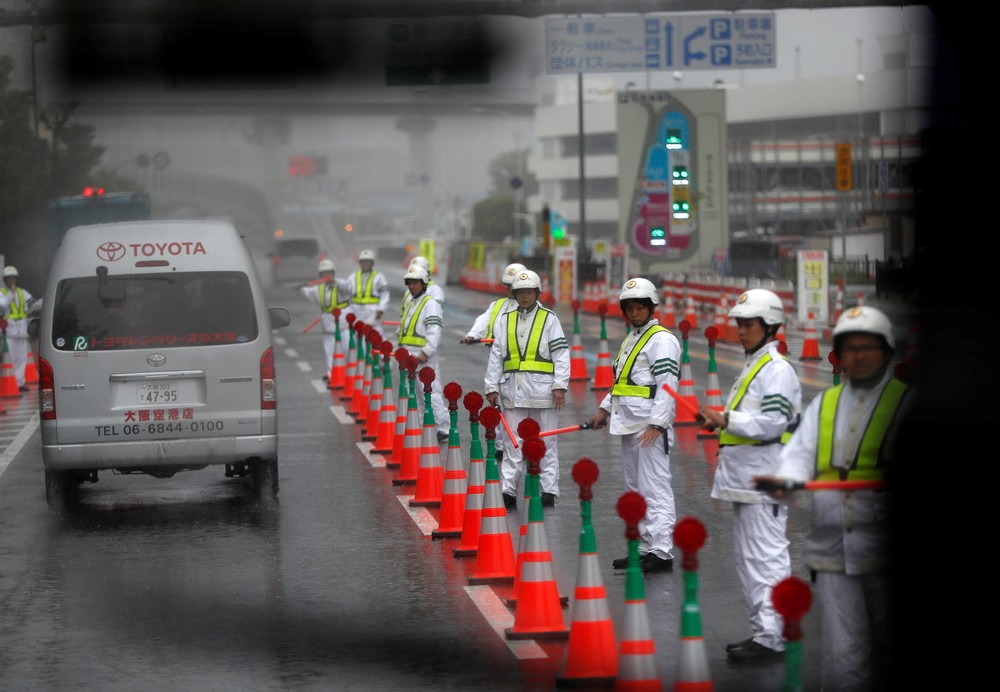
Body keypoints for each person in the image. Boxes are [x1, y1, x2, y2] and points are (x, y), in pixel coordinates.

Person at [755, 306, 911, 691]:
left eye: (867, 347)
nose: (857, 356)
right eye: (849, 348)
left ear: (887, 352)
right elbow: (797, 457)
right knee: (841, 654)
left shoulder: (906, 402)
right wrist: (784, 481)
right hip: (833, 549)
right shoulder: (825, 405)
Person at [697, 288, 802, 661]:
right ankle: (765, 632)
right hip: (746, 479)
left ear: (770, 326)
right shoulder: (756, 365)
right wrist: (721, 422)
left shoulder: (776, 370)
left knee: (766, 559)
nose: (741, 331)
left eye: (749, 325)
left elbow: (773, 423)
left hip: (764, 479)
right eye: (739, 324)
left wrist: (727, 418)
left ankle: (773, 637)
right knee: (749, 559)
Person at [586, 278, 680, 572]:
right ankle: (642, 547)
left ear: (652, 308)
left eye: (640, 307)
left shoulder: (661, 339)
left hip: (649, 427)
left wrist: (658, 424)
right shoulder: (634, 337)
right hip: (629, 423)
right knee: (635, 489)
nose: (635, 312)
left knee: (655, 488)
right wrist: (604, 410)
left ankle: (661, 550)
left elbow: (668, 385)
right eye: (630, 308)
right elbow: (623, 382)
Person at [484, 269, 569, 509]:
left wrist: (560, 385)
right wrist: (491, 386)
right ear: (514, 293)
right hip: (513, 390)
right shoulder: (505, 319)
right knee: (514, 443)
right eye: (520, 292)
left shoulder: (549, 318)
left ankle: (548, 490)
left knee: (547, 443)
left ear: (537, 293)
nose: (524, 296)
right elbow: (497, 356)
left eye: (529, 292)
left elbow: (561, 354)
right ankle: (508, 489)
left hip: (544, 393)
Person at [398, 264, 449, 440]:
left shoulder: (430, 304)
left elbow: (434, 330)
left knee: (431, 392)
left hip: (423, 357)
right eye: (409, 283)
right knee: (417, 395)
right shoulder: (411, 303)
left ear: (424, 283)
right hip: (409, 357)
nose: (411, 286)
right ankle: (422, 425)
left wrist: (425, 352)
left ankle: (444, 427)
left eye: (415, 283)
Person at [298, 259, 353, 379]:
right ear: (320, 275)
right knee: (329, 351)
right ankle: (331, 372)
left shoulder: (341, 284)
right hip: (328, 324)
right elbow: (308, 292)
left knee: (347, 348)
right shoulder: (319, 288)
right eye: (324, 273)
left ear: (333, 273)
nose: (326, 275)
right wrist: (301, 288)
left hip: (343, 324)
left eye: (329, 273)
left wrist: (336, 283)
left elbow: (348, 289)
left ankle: (348, 371)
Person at [459, 262, 526, 346]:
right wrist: (472, 335)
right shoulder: (497, 305)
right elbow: (484, 320)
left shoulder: (534, 307)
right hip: (495, 353)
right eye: (507, 285)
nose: (510, 289)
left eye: (513, 285)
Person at [1, 266, 43, 392]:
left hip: (22, 331)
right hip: (10, 331)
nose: (11, 280)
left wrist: (45, 300)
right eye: (9, 278)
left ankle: (20, 383)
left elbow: (32, 304)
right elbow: (2, 306)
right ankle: (11, 383)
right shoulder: (2, 293)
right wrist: (10, 295)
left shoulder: (22, 292)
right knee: (11, 359)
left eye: (13, 278)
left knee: (22, 358)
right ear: (5, 279)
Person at [348, 249, 390, 337]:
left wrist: (380, 309)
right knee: (358, 335)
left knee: (375, 335)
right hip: (357, 310)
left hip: (372, 310)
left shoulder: (379, 277)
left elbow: (384, 294)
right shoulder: (353, 277)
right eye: (363, 262)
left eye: (368, 262)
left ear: (372, 263)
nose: (365, 264)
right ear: (360, 263)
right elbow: (346, 292)